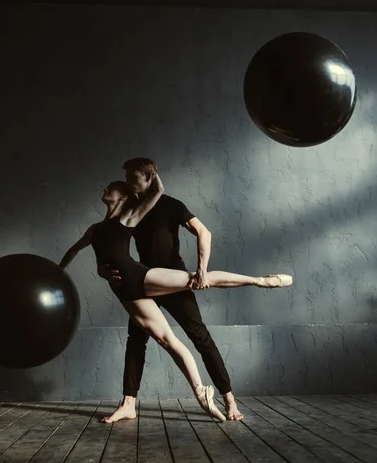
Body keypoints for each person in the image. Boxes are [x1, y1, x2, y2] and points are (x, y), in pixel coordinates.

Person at [59, 169, 293, 423]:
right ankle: (149, 401)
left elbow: (195, 225)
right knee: (158, 341)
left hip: (152, 276)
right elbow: (86, 250)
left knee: (199, 324)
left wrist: (202, 271)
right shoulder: (107, 223)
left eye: (128, 179)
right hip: (130, 289)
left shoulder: (142, 212)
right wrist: (86, 271)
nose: (120, 184)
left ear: (145, 178)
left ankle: (260, 282)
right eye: (124, 179)